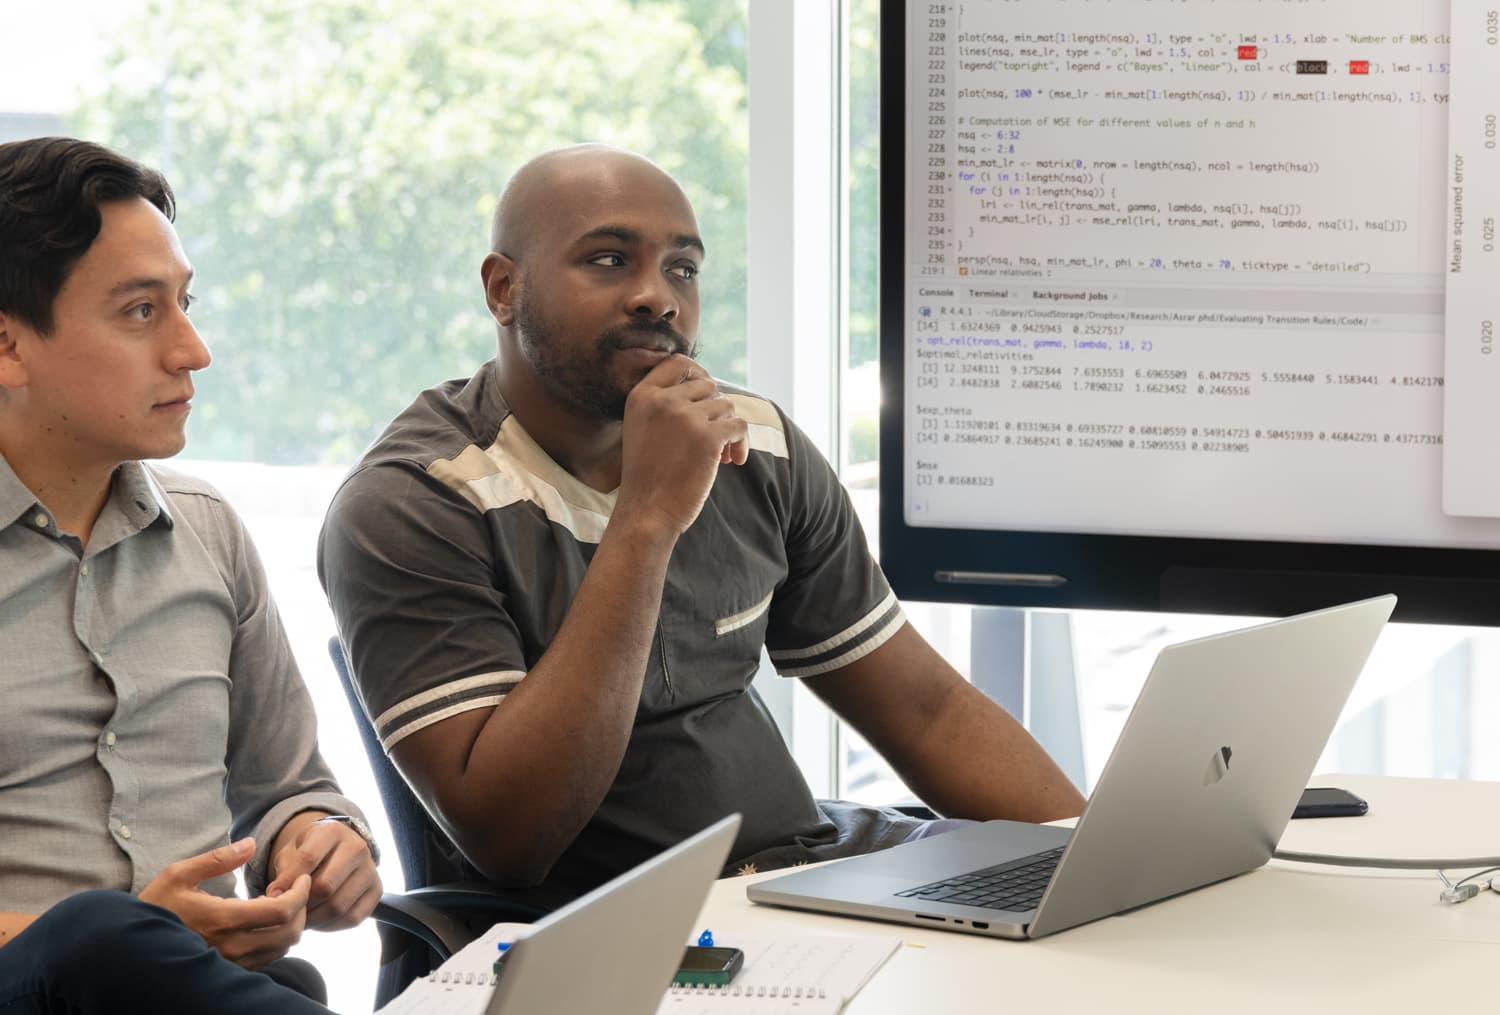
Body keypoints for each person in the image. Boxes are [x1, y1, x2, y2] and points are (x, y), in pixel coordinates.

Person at [319, 143, 1085, 911]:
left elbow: (928, 713)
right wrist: (647, 520)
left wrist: (1096, 859)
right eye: (611, 260)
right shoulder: (416, 501)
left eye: (682, 269)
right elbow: (512, 838)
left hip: (805, 873)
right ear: (504, 288)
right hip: (617, 928)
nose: (658, 298)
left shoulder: (757, 444)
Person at [0, 137, 381, 1013]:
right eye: (140, 312)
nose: (193, 349)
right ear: (9, 346)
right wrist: (143, 928)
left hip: (218, 990)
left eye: (185, 303)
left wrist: (319, 844)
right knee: (99, 934)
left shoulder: (207, 530)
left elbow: (291, 785)